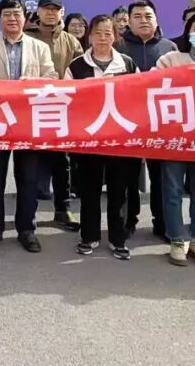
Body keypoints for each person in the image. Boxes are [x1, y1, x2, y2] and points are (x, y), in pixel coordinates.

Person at [0, 0, 56, 253]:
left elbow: (51, 78)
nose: (12, 18)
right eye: (7, 14)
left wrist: (34, 83)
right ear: (0, 18)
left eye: (16, 13)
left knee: (28, 178)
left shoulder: (39, 47)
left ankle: (26, 229)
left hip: (28, 123)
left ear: (25, 17)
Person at [66, 14, 139, 261]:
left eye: (108, 33)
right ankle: (89, 236)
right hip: (89, 139)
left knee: (119, 191)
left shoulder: (127, 64)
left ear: (115, 37)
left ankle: (118, 239)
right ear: (90, 36)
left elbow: (138, 98)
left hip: (119, 139)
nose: (102, 38)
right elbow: (67, 100)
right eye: (97, 33)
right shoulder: (77, 66)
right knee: (90, 190)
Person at [155, 13, 195, 268]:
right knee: (172, 190)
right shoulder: (170, 59)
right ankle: (176, 240)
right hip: (175, 136)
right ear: (188, 32)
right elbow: (152, 86)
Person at [115, 0, 176, 240]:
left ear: (157, 20)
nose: (143, 20)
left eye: (148, 16)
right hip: (126, 121)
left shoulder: (169, 48)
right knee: (127, 175)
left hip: (161, 121)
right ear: (129, 22)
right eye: (137, 16)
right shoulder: (118, 47)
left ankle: (162, 222)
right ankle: (128, 220)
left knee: (161, 176)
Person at [24, 0, 84, 232]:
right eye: (46, 9)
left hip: (61, 109)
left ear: (62, 12)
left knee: (62, 162)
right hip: (30, 108)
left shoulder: (71, 41)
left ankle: (63, 208)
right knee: (30, 162)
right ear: (38, 12)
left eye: (55, 9)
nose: (51, 13)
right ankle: (28, 211)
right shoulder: (26, 37)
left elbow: (81, 73)